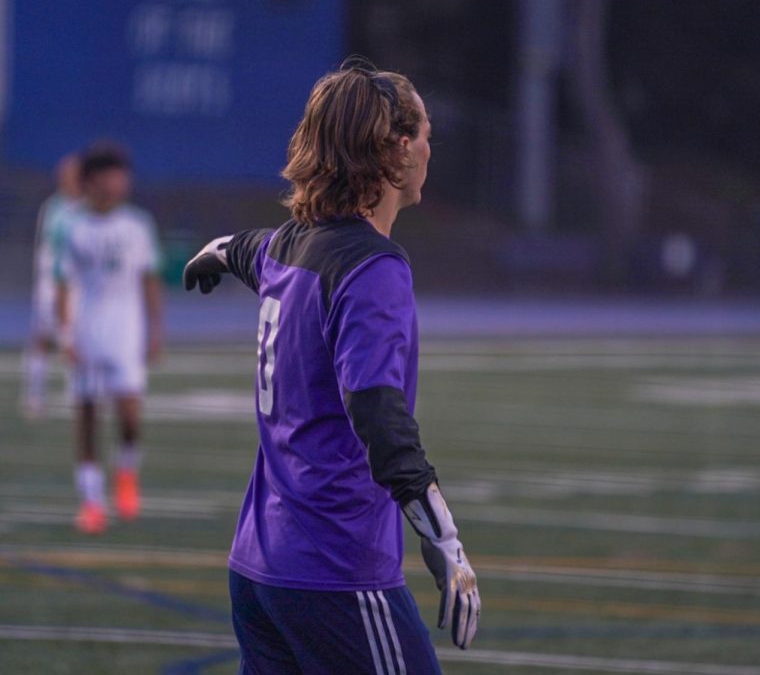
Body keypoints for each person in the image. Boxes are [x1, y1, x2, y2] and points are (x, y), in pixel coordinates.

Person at [183, 59, 480, 673]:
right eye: (424, 133)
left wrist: (208, 256)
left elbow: (237, 249)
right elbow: (376, 410)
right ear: (396, 148)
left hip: (259, 572)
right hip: (335, 572)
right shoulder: (373, 269)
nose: (430, 147)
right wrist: (443, 536)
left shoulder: (289, 245)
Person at [54, 142, 163, 534]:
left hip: (126, 331)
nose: (121, 182)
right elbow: (63, 283)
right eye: (113, 174)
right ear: (93, 180)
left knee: (129, 416)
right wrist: (65, 333)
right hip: (87, 330)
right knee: (86, 416)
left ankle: (127, 473)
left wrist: (155, 330)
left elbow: (150, 279)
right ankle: (92, 501)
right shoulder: (71, 226)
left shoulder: (137, 225)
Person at [21, 153, 82, 418]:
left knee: (75, 336)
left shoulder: (87, 207)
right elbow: (53, 249)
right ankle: (34, 394)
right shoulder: (54, 209)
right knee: (42, 338)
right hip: (51, 283)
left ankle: (76, 393)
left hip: (78, 284)